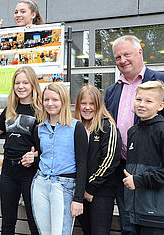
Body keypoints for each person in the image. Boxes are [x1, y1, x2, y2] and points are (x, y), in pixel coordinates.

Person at [104, 35, 164, 235]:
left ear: (140, 53)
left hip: (155, 172)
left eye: (127, 54)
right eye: (118, 57)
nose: (122, 60)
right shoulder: (112, 91)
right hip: (123, 170)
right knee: (128, 226)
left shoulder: (161, 81)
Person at [0, 66, 42, 234]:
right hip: (8, 170)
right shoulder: (11, 108)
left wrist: (37, 154)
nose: (21, 86)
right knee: (7, 223)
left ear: (33, 85)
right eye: (17, 83)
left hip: (30, 171)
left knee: (34, 221)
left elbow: (49, 142)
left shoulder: (41, 110)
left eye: (25, 82)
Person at [29, 83, 88, 235]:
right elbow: (42, 156)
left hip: (64, 187)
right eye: (46, 99)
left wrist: (78, 198)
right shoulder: (39, 128)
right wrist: (31, 158)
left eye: (55, 99)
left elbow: (82, 164)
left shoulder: (77, 127)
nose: (50, 103)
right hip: (40, 184)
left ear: (63, 101)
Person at [74, 85, 121, 235]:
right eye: (83, 103)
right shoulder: (74, 126)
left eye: (92, 103)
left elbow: (110, 160)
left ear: (99, 105)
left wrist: (91, 188)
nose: (87, 108)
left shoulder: (107, 126)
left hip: (101, 191)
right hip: (79, 190)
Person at [123, 81, 164, 234]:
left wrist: (138, 180)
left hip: (156, 214)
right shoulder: (132, 131)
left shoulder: (161, 131)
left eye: (149, 101)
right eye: (138, 99)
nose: (141, 104)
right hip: (133, 212)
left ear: (160, 106)